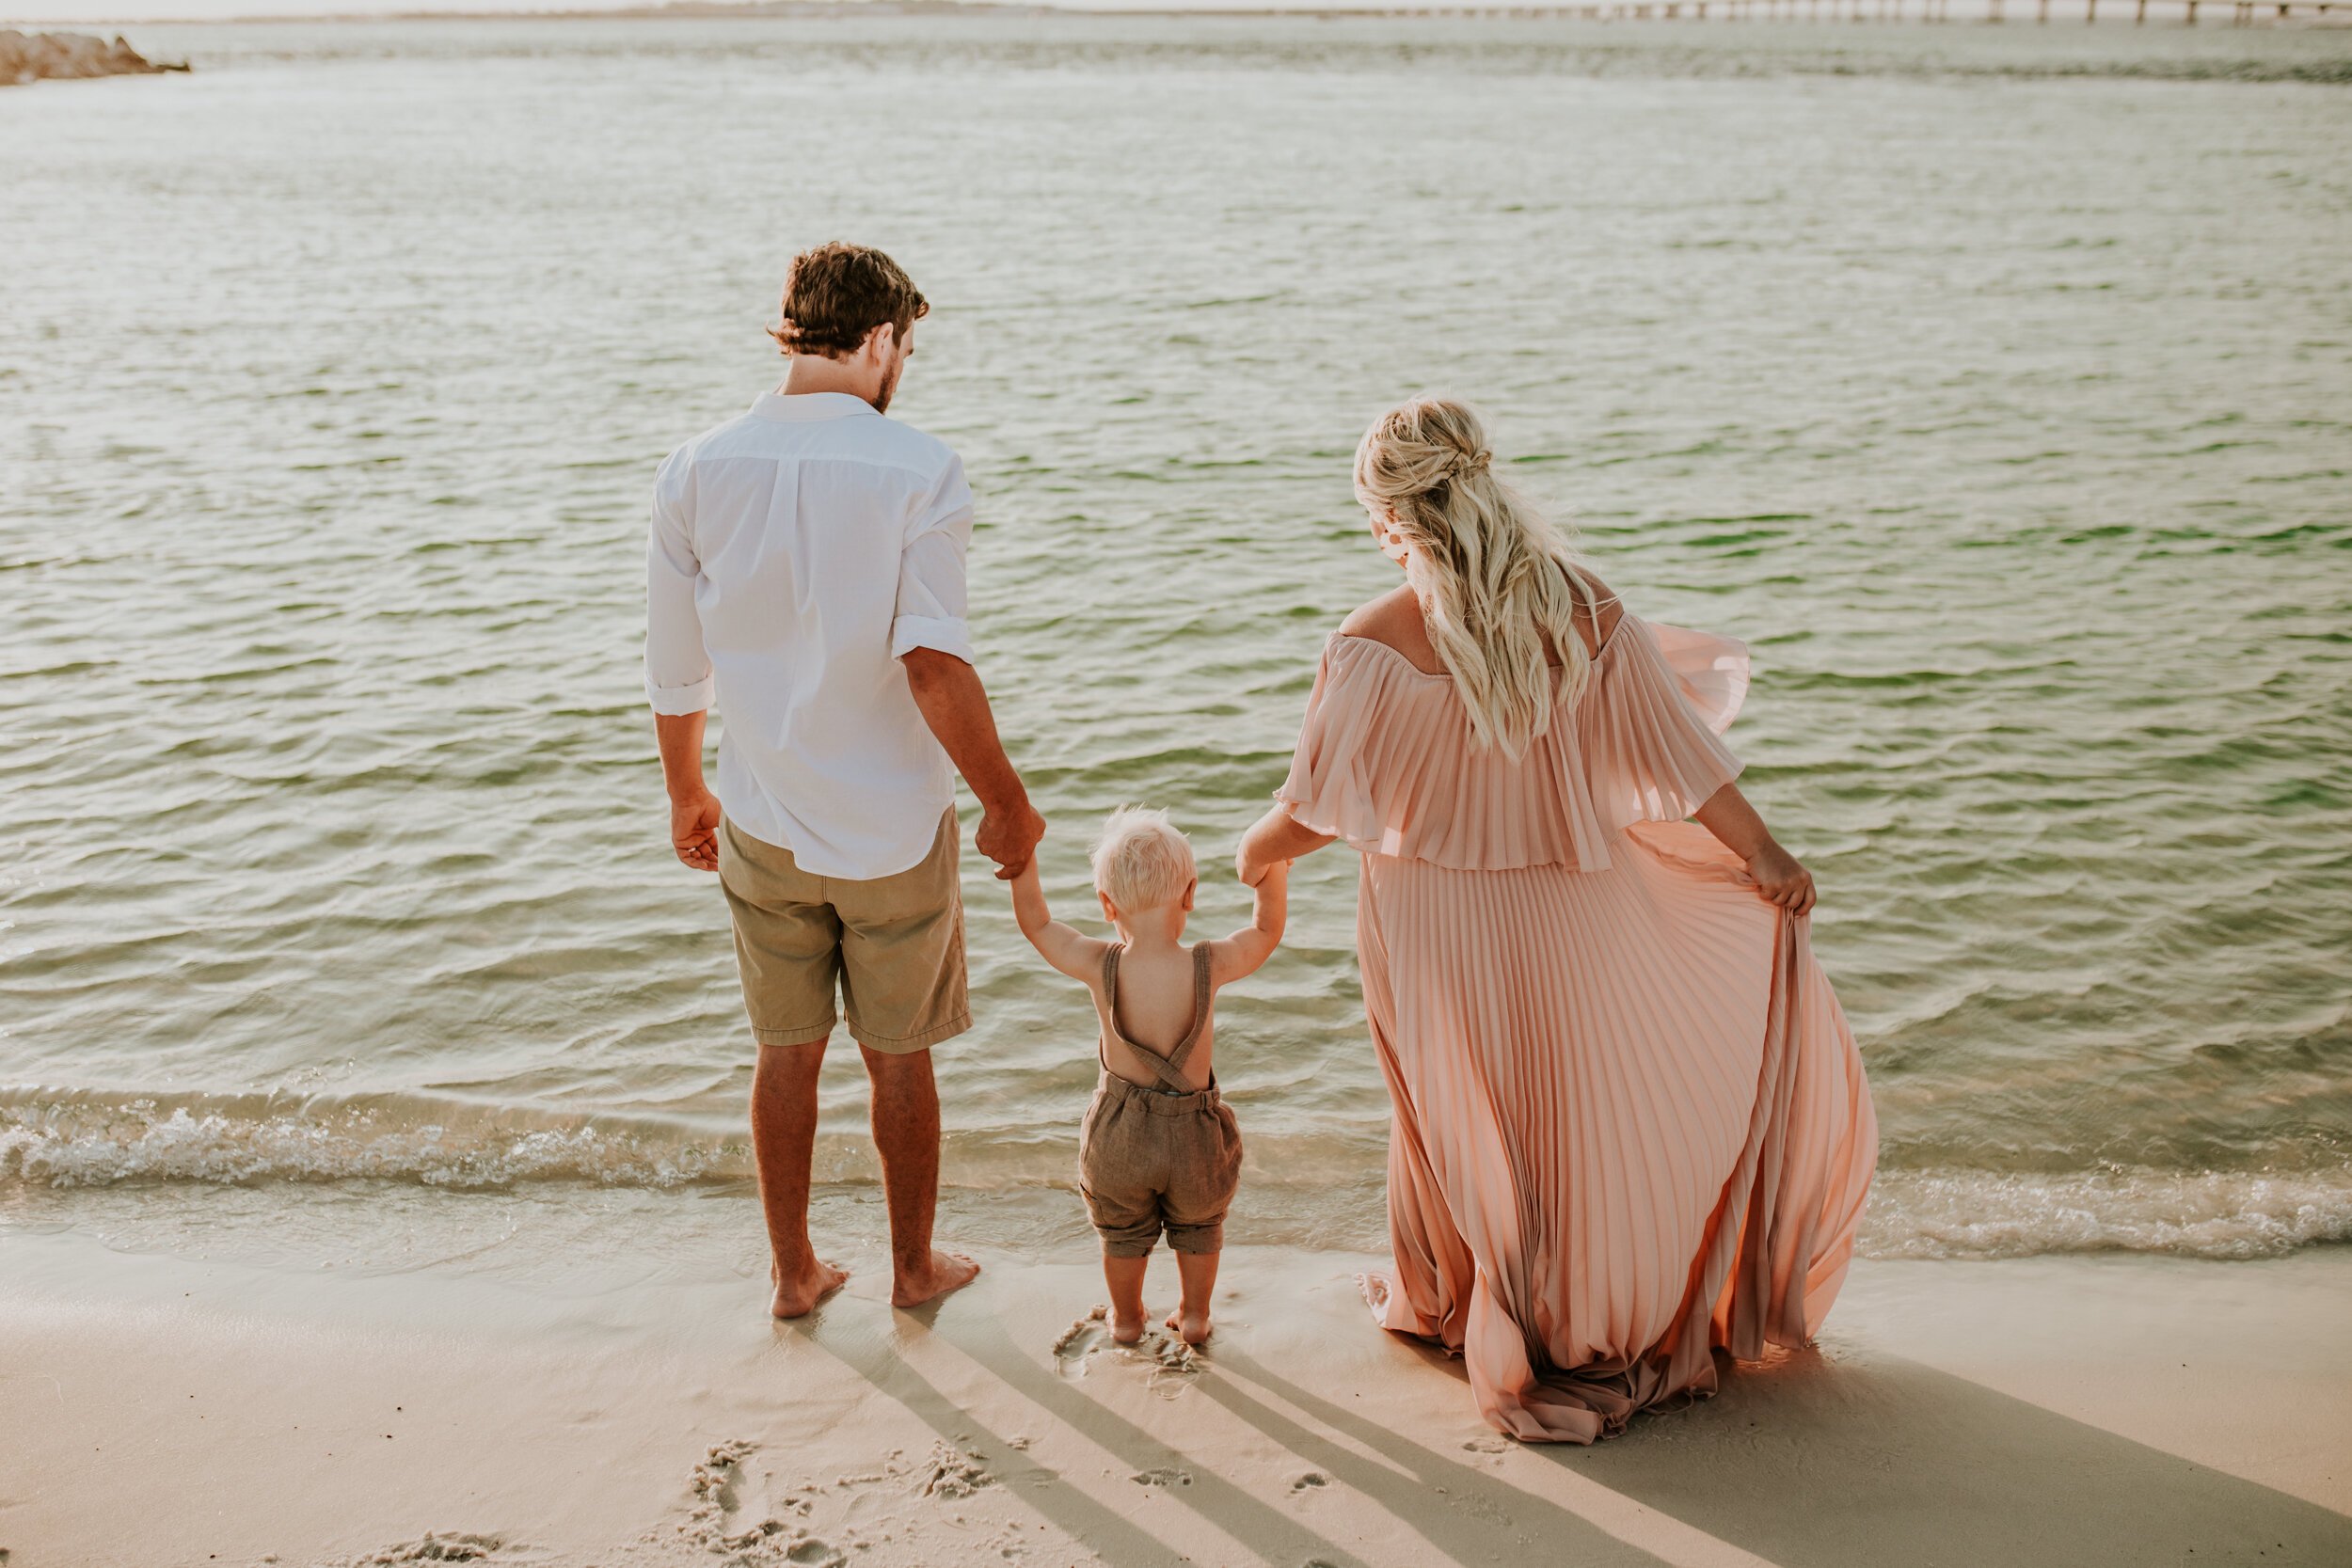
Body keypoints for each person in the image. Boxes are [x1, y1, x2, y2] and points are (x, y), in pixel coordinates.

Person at [1235, 396, 1878, 1442]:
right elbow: (1682, 761)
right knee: (1573, 1125)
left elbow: (1314, 812)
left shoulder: (1370, 642)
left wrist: (1249, 853)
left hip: (1437, 926)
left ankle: (1465, 1299)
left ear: (1384, 513)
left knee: (1465, 1122)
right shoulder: (1588, 611)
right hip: (1580, 908)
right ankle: (1580, 1316)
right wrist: (1762, 853)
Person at [644, 242, 1044, 1318]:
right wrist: (1007, 798)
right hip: (893, 830)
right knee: (898, 1054)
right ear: (879, 340)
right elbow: (931, 662)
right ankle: (913, 1271)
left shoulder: (694, 468)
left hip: (763, 817)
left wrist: (685, 792)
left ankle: (793, 1274)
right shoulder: (919, 468)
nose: (901, 368)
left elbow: (678, 665)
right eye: (903, 348)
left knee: (785, 1053)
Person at [1008, 807, 1285, 1346]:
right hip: (1196, 1138)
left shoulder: (1099, 963)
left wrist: (1023, 859)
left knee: (1122, 1233)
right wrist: (1272, 868)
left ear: (1105, 903)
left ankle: (1128, 1318)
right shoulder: (1211, 962)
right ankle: (1196, 1315)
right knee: (1200, 1227)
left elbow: (1037, 924)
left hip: (1119, 1137)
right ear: (1190, 894)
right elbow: (1265, 930)